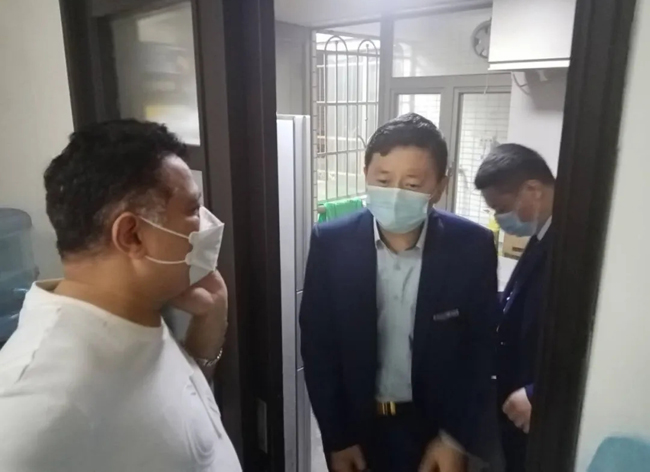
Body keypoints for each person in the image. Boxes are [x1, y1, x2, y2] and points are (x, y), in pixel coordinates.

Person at [0, 120, 241, 472]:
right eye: (192, 209)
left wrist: (209, 324)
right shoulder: (34, 403)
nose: (207, 223)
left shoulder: (130, 313)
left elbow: (165, 415)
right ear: (132, 235)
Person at [300, 113, 500, 472]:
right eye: (383, 180)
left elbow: (481, 350)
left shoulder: (472, 247)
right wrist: (337, 437)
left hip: (436, 432)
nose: (394, 194)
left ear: (439, 186)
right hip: (357, 429)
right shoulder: (331, 243)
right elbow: (318, 347)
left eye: (411, 184)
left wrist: (455, 438)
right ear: (365, 174)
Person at [474, 143, 555, 472]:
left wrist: (538, 393)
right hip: (513, 405)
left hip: (538, 408)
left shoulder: (576, 241)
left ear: (533, 190)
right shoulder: (542, 235)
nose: (499, 219)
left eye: (501, 208)